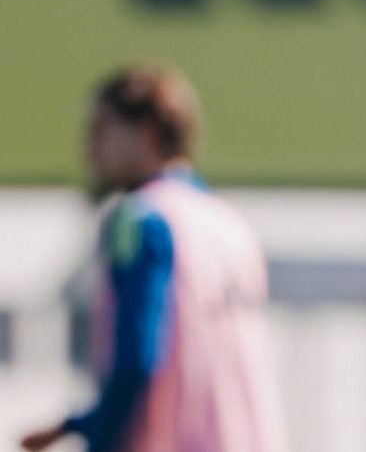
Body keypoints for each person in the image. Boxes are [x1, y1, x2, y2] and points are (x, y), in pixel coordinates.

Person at [21, 65, 284, 452]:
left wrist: (99, 437)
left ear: (145, 131)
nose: (90, 150)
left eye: (101, 131)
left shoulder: (141, 219)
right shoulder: (229, 225)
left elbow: (138, 358)